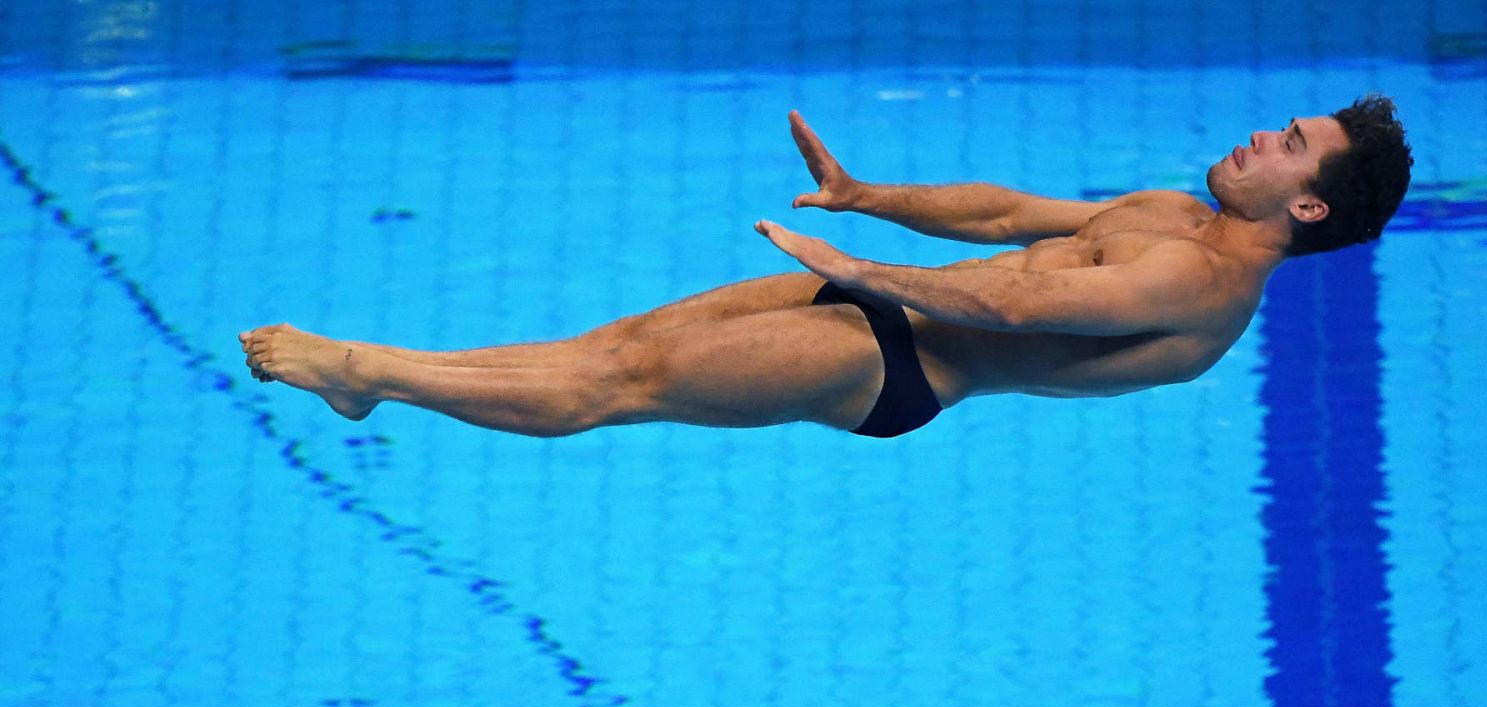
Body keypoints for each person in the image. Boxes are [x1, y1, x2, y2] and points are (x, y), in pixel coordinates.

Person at [239, 95, 1412, 439]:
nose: (1264, 134)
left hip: (900, 366)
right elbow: (1010, 215)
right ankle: (366, 382)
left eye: (1290, 145)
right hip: (872, 294)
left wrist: (853, 265)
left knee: (622, 387)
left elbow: (1006, 306)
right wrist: (867, 199)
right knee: (616, 346)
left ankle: (364, 366)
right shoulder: (1167, 209)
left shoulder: (1198, 291)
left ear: (1306, 203)